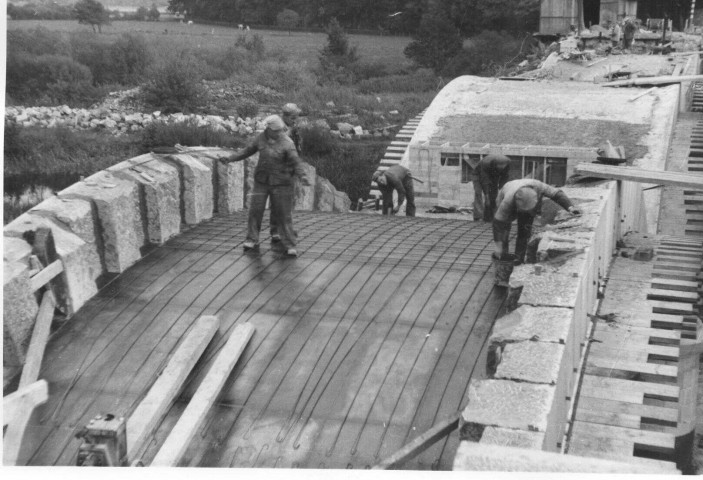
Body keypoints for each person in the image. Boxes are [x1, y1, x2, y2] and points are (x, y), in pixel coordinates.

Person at [219, 115, 310, 257]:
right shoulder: (260, 138)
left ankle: (289, 244)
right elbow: (247, 151)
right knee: (255, 210)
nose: (280, 132)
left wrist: (302, 176)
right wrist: (230, 159)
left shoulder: (287, 143)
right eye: (277, 130)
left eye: (281, 130)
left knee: (283, 214)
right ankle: (251, 239)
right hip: (262, 181)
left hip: (282, 183)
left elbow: (295, 161)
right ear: (269, 129)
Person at [493, 179, 581, 265]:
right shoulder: (507, 202)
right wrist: (498, 245)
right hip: (507, 190)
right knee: (504, 230)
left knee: (524, 230)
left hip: (526, 201)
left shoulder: (540, 187)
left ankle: (518, 259)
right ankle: (503, 259)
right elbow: (498, 223)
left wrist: (570, 207)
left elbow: (557, 194)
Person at [472, 154, 511, 222]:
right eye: (499, 167)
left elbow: (504, 177)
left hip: (493, 175)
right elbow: (485, 180)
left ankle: (489, 217)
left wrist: (501, 190)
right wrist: (487, 197)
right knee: (478, 192)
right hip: (478, 174)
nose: (501, 168)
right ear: (495, 164)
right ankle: (478, 216)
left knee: (493, 195)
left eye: (502, 167)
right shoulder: (486, 163)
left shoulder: (508, 163)